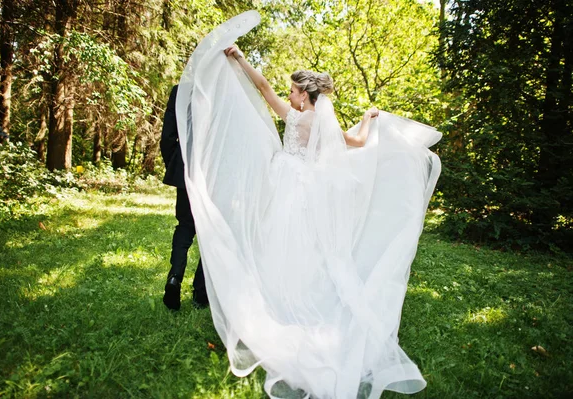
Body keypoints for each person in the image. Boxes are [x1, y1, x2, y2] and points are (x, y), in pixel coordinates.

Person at [175, 11, 442, 399]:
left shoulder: (296, 119)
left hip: (286, 188)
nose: (287, 96)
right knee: (305, 248)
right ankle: (290, 300)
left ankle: (277, 306)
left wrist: (240, 58)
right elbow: (360, 143)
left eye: (293, 92)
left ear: (305, 93)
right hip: (306, 192)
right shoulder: (325, 124)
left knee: (279, 243)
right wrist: (369, 118)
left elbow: (264, 89)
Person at [160, 84, 208, 311]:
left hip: (186, 167)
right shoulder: (222, 93)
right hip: (213, 170)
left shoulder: (180, 91)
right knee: (209, 232)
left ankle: (175, 277)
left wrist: (177, 162)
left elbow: (168, 134)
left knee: (185, 226)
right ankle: (200, 293)